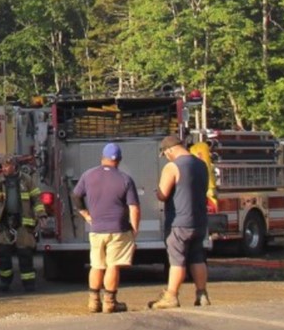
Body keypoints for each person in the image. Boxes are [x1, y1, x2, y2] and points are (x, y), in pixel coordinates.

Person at [71, 142, 140, 313]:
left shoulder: (88, 175)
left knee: (97, 265)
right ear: (119, 160)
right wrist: (134, 230)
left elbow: (76, 196)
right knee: (113, 266)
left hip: (96, 229)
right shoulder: (125, 179)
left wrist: (86, 214)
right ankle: (110, 302)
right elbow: (134, 208)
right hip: (119, 229)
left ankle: (93, 302)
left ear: (102, 158)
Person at [149, 134, 211, 309]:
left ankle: (171, 296)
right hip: (199, 221)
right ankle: (202, 295)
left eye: (165, 153)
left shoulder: (172, 167)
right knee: (197, 257)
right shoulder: (201, 165)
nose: (166, 157)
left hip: (179, 222)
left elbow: (163, 194)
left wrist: (157, 191)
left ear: (170, 149)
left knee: (177, 259)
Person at [0, 156, 47, 292]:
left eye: (7, 166)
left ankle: (29, 284)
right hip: (3, 223)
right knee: (3, 256)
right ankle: (5, 283)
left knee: (25, 255)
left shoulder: (26, 180)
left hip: (23, 223)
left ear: (15, 166)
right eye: (2, 166)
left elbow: (36, 199)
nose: (4, 169)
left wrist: (41, 214)